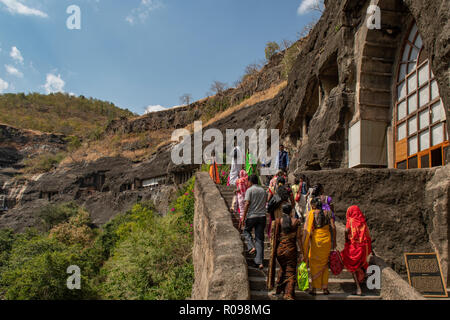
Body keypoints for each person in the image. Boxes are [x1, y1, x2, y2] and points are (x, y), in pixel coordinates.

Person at [268, 203, 303, 300]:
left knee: (283, 268)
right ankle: (288, 293)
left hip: (280, 250)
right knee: (290, 270)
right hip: (291, 250)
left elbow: (274, 236)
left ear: (282, 211)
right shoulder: (296, 221)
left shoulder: (278, 221)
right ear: (291, 212)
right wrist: (302, 251)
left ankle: (279, 289)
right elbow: (299, 238)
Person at [303, 197, 336, 296]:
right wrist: (334, 240)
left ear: (313, 205)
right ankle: (325, 288)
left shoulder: (311, 213)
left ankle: (314, 288)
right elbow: (333, 227)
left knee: (314, 263)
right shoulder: (328, 212)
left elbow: (307, 230)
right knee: (325, 263)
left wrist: (305, 242)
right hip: (327, 240)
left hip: (317, 240)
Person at [341, 205, 372, 296]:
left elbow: (346, 230)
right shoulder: (363, 222)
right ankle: (363, 276)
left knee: (352, 267)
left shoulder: (350, 221)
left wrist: (346, 239)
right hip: (363, 248)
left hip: (354, 248)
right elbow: (368, 236)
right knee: (360, 265)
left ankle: (358, 288)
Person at [240, 174, 268, 270]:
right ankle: (259, 262)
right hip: (262, 216)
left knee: (246, 231)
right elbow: (266, 201)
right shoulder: (263, 191)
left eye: (247, 181)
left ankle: (251, 246)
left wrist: (243, 217)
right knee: (259, 239)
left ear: (250, 181)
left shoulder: (250, 190)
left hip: (252, 216)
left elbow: (247, 203)